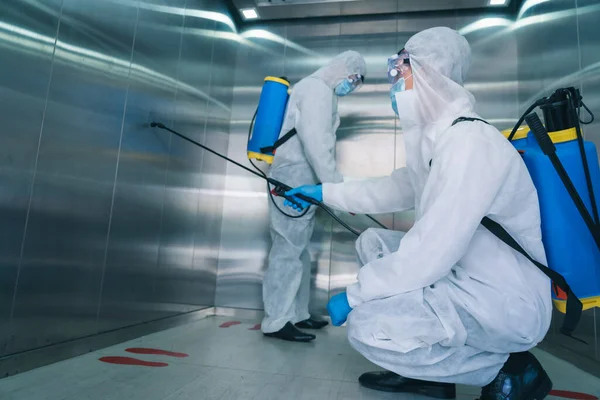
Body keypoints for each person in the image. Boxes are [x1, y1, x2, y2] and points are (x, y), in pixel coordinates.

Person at [284, 27, 554, 399]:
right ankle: (428, 377)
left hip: (503, 302)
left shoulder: (469, 143)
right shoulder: (439, 141)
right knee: (373, 241)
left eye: (401, 73)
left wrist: (356, 295)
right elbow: (392, 188)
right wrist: (324, 192)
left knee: (365, 327)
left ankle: (512, 370)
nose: (394, 85)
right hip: (468, 279)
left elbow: (433, 248)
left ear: (430, 74)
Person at [261, 51, 367, 343]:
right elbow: (318, 145)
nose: (352, 86)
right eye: (354, 79)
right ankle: (276, 321)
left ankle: (296, 314)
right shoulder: (317, 89)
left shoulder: (321, 92)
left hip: (301, 179)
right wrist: (338, 189)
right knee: (287, 249)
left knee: (298, 249)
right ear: (343, 68)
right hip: (291, 178)